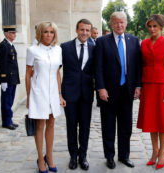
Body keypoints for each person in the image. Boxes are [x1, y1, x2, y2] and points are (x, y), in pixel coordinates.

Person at [95, 11, 142, 169]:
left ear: (126, 23)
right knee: (108, 126)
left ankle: (124, 156)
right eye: (116, 22)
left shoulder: (134, 41)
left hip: (127, 91)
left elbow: (137, 66)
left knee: (126, 127)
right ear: (111, 24)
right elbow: (98, 67)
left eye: (122, 22)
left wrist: (138, 85)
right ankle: (109, 157)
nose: (119, 25)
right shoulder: (102, 42)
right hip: (108, 92)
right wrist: (101, 87)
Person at [137, 14, 164, 170]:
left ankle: (162, 152)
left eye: (155, 26)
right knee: (151, 121)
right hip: (147, 86)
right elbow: (140, 66)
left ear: (161, 27)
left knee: (162, 122)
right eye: (149, 26)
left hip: (162, 86)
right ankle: (154, 151)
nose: (151, 29)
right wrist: (139, 86)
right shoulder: (144, 43)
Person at [26, 21, 66, 173]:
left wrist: (60, 95)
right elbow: (28, 74)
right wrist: (29, 96)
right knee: (40, 125)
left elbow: (57, 72)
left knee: (51, 124)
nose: (49, 35)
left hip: (53, 93)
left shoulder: (58, 50)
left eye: (51, 32)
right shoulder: (32, 50)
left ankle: (49, 157)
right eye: (46, 32)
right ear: (40, 33)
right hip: (38, 92)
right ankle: (40, 159)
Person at [60, 19, 95, 170]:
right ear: (76, 30)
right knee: (71, 126)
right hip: (70, 93)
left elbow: (99, 70)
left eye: (87, 30)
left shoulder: (95, 47)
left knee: (85, 127)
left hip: (87, 94)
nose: (85, 33)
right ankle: (73, 156)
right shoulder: (65, 47)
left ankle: (83, 156)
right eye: (82, 30)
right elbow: (55, 69)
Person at [0, 25, 20, 130]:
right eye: (12, 33)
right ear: (7, 34)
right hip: (7, 79)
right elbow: (2, 64)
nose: (15, 35)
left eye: (15, 33)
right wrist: (3, 80)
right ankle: (6, 122)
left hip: (13, 79)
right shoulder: (3, 46)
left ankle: (9, 120)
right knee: (6, 101)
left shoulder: (10, 45)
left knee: (10, 100)